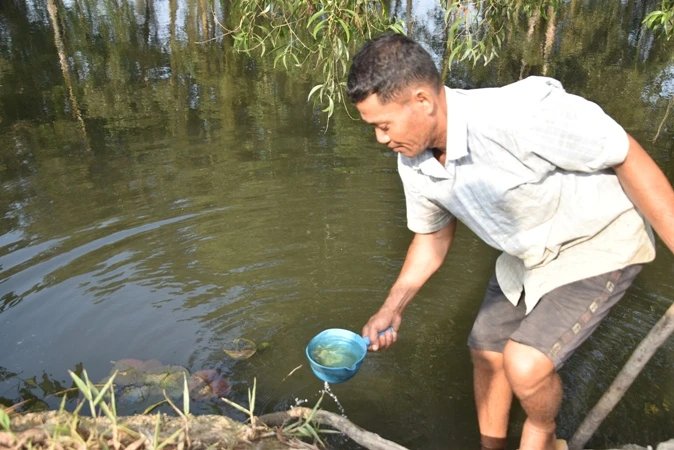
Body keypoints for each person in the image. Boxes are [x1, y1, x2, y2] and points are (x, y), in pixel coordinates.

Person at [347, 32, 674, 450]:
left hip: (597, 242)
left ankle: (543, 434)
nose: (381, 139)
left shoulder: (519, 113)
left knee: (525, 364)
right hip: (526, 256)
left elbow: (624, 153)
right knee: (486, 353)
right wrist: (391, 309)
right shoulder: (413, 160)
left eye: (384, 125)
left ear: (422, 101)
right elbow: (430, 241)